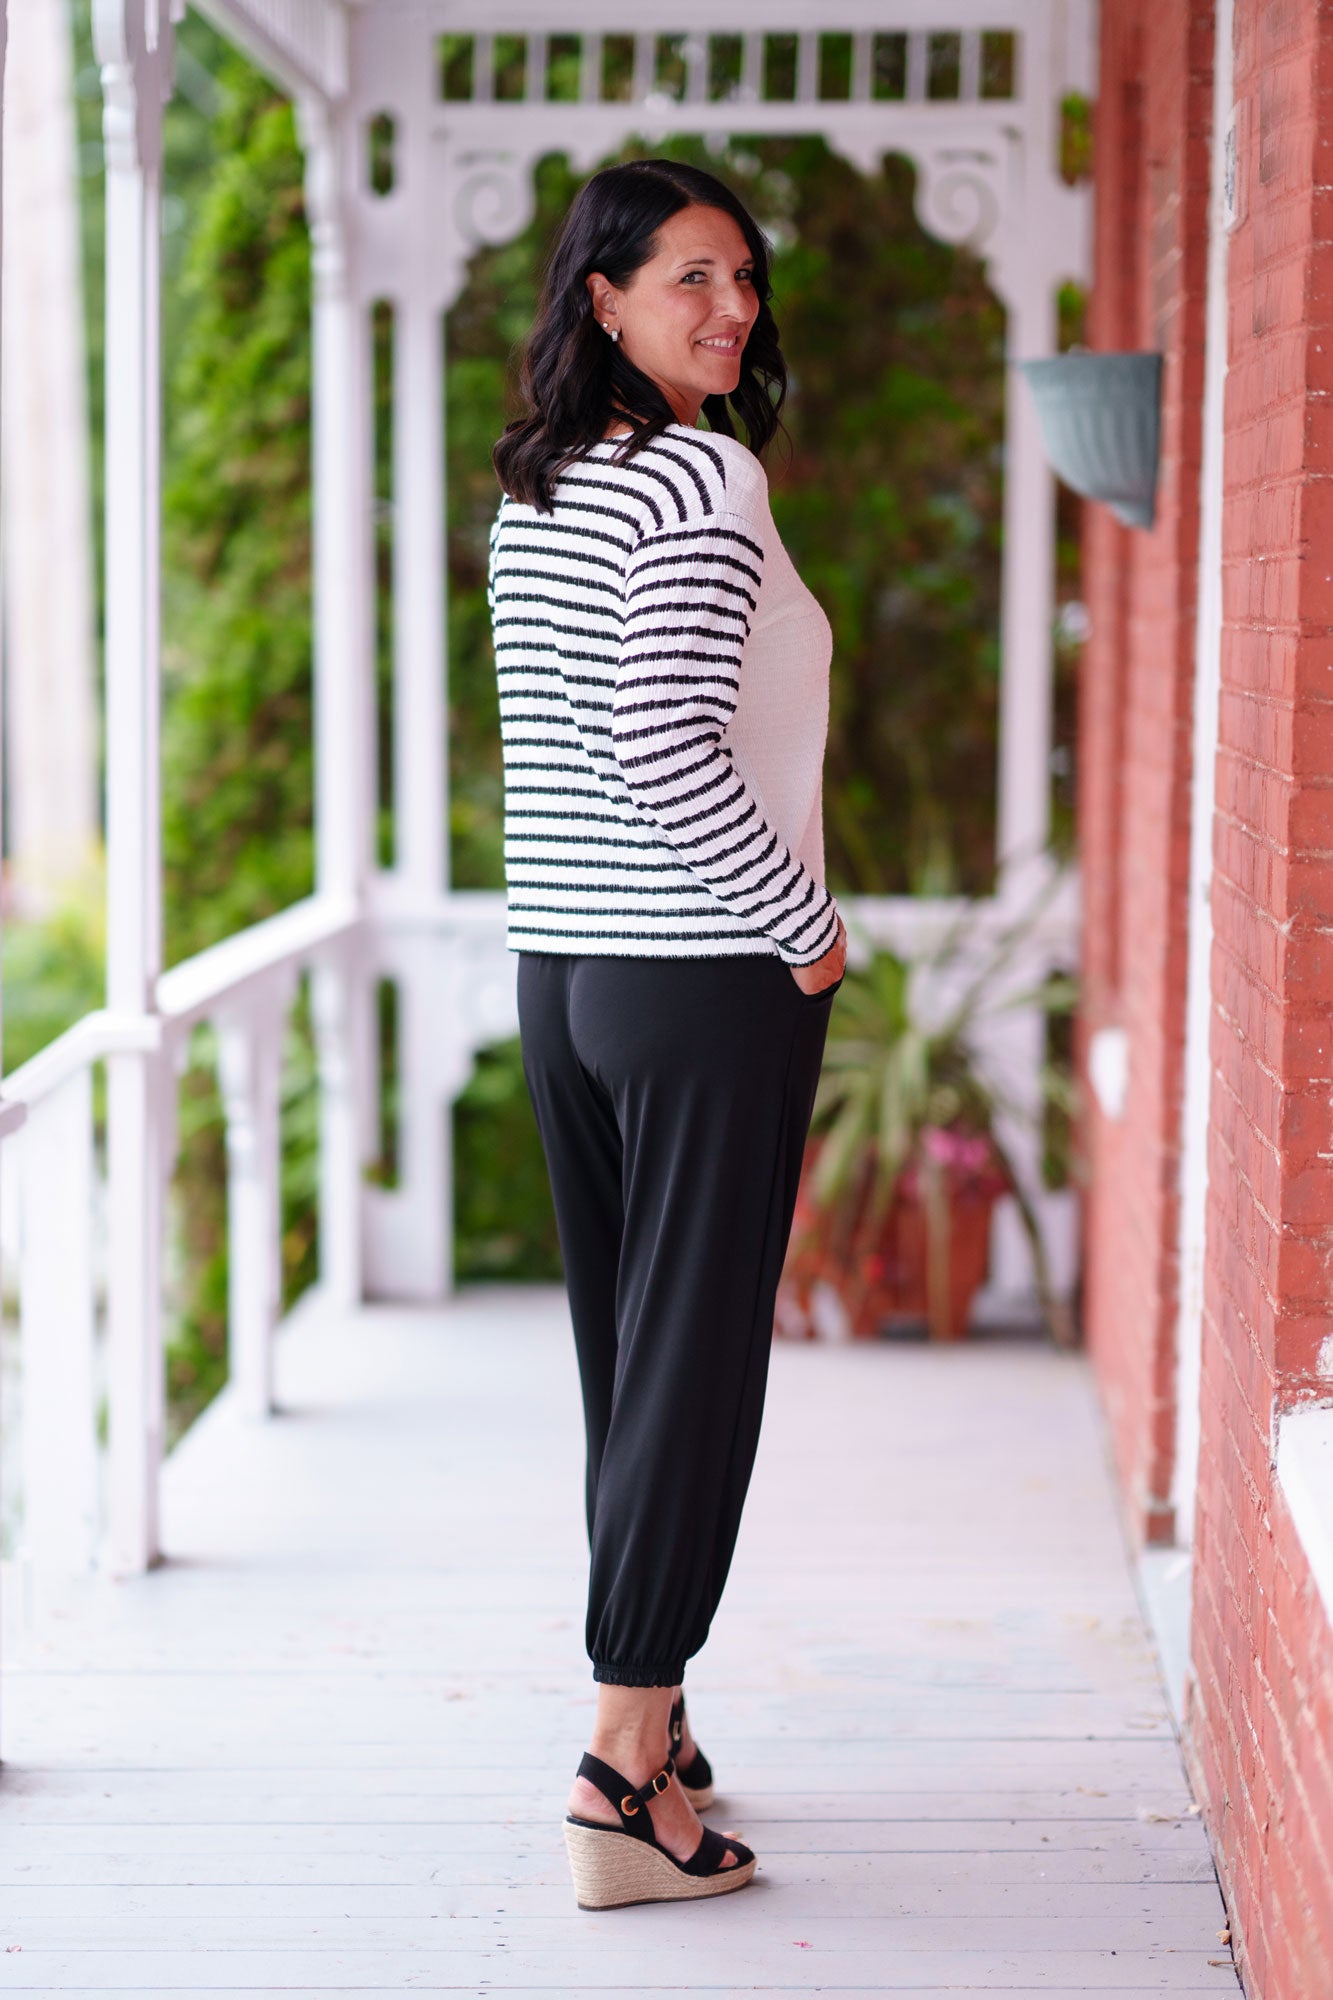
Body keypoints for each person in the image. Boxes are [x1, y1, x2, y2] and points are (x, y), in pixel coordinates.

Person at [488, 157, 848, 1912]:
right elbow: (659, 741)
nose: (729, 307)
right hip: (701, 974)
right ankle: (619, 1775)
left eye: (742, 277)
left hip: (567, 974)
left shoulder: (542, 488)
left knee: (629, 1372)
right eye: (688, 277)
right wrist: (808, 934)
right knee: (690, 1375)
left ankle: (664, 1721)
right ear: (606, 299)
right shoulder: (704, 476)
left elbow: (565, 753)